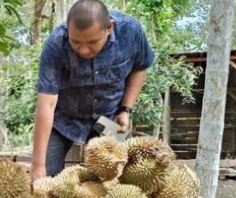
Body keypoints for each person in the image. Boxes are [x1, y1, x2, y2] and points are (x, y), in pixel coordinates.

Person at [30, 0, 155, 181]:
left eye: (92, 42)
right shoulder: (56, 43)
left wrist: (126, 109)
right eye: (76, 42)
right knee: (45, 177)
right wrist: (37, 165)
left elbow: (140, 67)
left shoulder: (131, 31)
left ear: (109, 28)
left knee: (118, 179)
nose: (83, 50)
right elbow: (47, 104)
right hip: (64, 119)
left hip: (109, 117)